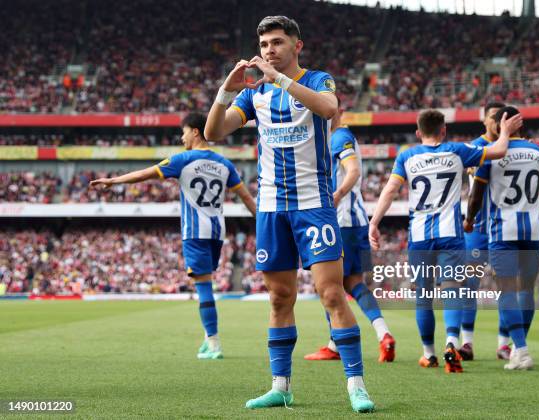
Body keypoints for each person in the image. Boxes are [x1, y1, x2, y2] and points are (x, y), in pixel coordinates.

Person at [204, 16, 374, 413]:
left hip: (313, 205)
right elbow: (213, 132)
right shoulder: (254, 93)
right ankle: (280, 386)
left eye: (277, 43)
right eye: (264, 44)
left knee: (331, 293)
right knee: (280, 297)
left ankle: (356, 384)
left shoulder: (317, 80)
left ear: (298, 46)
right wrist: (225, 92)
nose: (269, 51)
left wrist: (278, 79)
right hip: (270, 208)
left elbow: (330, 109)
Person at [90, 112, 256, 360]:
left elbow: (146, 173)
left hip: (195, 232)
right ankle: (206, 339)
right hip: (217, 232)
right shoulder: (225, 164)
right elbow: (245, 197)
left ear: (196, 132)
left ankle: (213, 342)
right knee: (205, 282)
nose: (182, 137)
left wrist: (114, 181)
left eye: (184, 131)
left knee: (203, 287)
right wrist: (265, 224)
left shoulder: (183, 160)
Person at [369, 109, 522, 373]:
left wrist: (374, 222)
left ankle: (428, 354)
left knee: (424, 297)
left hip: (419, 235)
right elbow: (498, 151)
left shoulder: (407, 156)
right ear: (443, 130)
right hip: (450, 234)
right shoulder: (457, 150)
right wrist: (505, 132)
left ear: (418, 133)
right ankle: (452, 343)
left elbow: (391, 190)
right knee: (453, 288)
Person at [304, 97, 395, 363]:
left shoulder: (339, 136)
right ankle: (383, 334)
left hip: (341, 220)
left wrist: (337, 194)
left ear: (339, 111)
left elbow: (353, 170)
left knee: (327, 281)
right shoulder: (332, 138)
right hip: (354, 220)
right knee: (354, 283)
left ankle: (335, 344)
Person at [462, 103, 539, 361]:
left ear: (502, 123)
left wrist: (469, 219)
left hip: (502, 227)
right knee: (526, 290)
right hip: (531, 229)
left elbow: (477, 193)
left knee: (507, 290)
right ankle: (514, 347)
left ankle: (518, 349)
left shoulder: (490, 153)